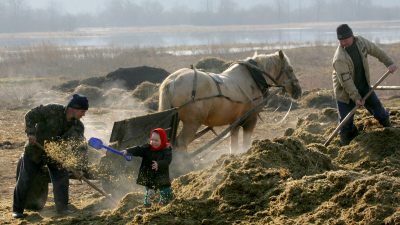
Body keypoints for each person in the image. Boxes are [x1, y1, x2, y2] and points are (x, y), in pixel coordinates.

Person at [12, 94, 89, 219]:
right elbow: (30, 115)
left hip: (56, 155)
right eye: (82, 111)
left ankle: (62, 209)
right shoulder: (52, 110)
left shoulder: (78, 127)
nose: (84, 115)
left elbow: (80, 148)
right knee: (25, 179)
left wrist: (79, 168)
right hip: (35, 150)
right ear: (73, 108)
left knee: (61, 179)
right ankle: (17, 210)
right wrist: (31, 133)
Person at [332, 24, 398, 146]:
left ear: (352, 36)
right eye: (341, 41)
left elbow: (376, 50)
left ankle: (390, 129)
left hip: (363, 86)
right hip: (345, 93)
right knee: (346, 123)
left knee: (379, 111)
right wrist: (356, 98)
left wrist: (389, 63)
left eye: (346, 40)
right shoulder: (339, 59)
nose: (344, 43)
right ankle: (345, 145)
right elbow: (346, 83)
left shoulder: (361, 42)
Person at [122, 128, 173, 207]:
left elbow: (167, 160)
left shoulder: (166, 150)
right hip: (149, 174)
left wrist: (158, 164)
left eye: (156, 140)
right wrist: (128, 151)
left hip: (161, 175)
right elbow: (138, 149)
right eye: (152, 140)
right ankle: (147, 203)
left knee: (165, 190)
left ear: (162, 140)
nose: (153, 142)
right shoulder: (147, 148)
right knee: (150, 190)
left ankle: (164, 201)